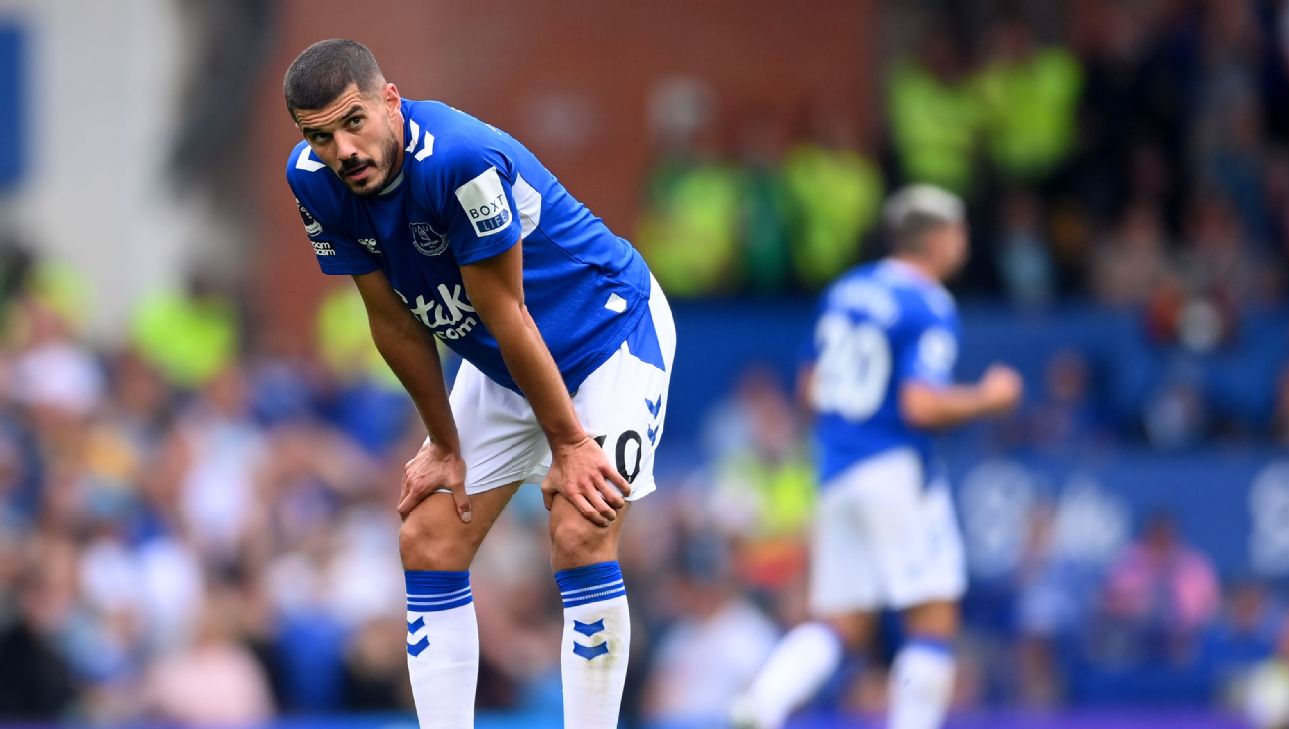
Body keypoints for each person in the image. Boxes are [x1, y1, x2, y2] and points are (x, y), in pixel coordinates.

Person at [282, 40, 674, 729]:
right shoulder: (313, 179)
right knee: (429, 532)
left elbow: (510, 310)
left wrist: (572, 443)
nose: (341, 149)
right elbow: (393, 320)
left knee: (581, 526)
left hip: (606, 337)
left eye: (353, 122)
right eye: (319, 136)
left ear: (391, 101)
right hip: (502, 357)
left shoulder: (461, 163)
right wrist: (441, 440)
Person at [732, 185, 1022, 729]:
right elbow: (919, 404)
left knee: (844, 622)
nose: (963, 243)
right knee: (932, 615)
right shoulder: (929, 303)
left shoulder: (847, 291)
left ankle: (763, 703)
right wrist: (990, 397)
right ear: (935, 238)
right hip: (895, 469)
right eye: (958, 232)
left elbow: (809, 388)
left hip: (838, 471)